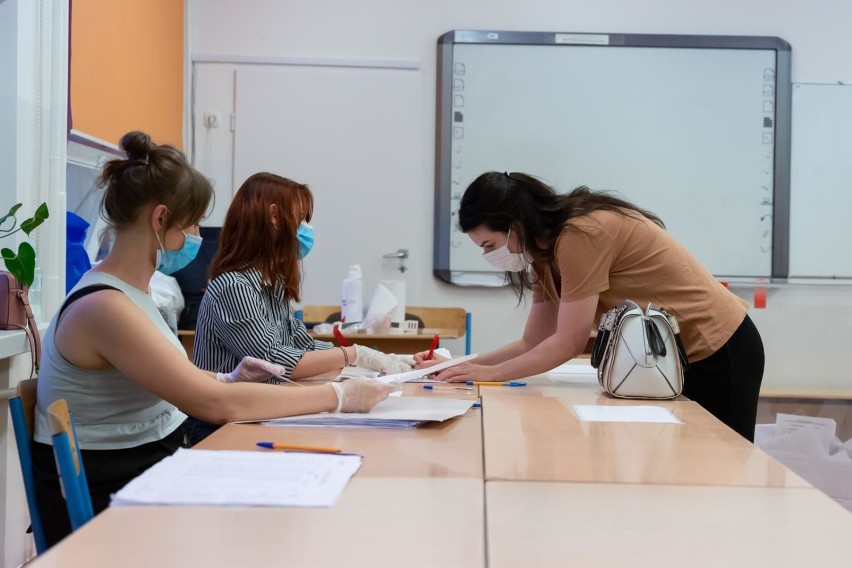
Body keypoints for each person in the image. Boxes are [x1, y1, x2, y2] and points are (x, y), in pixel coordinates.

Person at [32, 132, 394, 547]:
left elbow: (183, 383)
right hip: (113, 493)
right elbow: (215, 406)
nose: (197, 235)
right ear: (160, 219)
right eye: (192, 224)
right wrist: (341, 396)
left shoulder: (135, 295)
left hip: (146, 466)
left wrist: (226, 376)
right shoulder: (105, 307)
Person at [416, 171, 764, 441]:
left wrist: (488, 375)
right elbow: (534, 341)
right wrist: (459, 367)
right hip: (674, 356)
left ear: (515, 225)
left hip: (720, 347)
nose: (489, 255)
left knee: (724, 468)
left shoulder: (580, 234)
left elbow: (568, 341)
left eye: (490, 244)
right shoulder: (542, 256)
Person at [187, 172, 411, 443]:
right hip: (223, 426)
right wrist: (353, 354)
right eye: (301, 220)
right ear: (273, 217)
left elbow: (301, 345)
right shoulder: (234, 286)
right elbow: (275, 359)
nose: (306, 229)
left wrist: (381, 357)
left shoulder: (272, 283)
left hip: (258, 413)